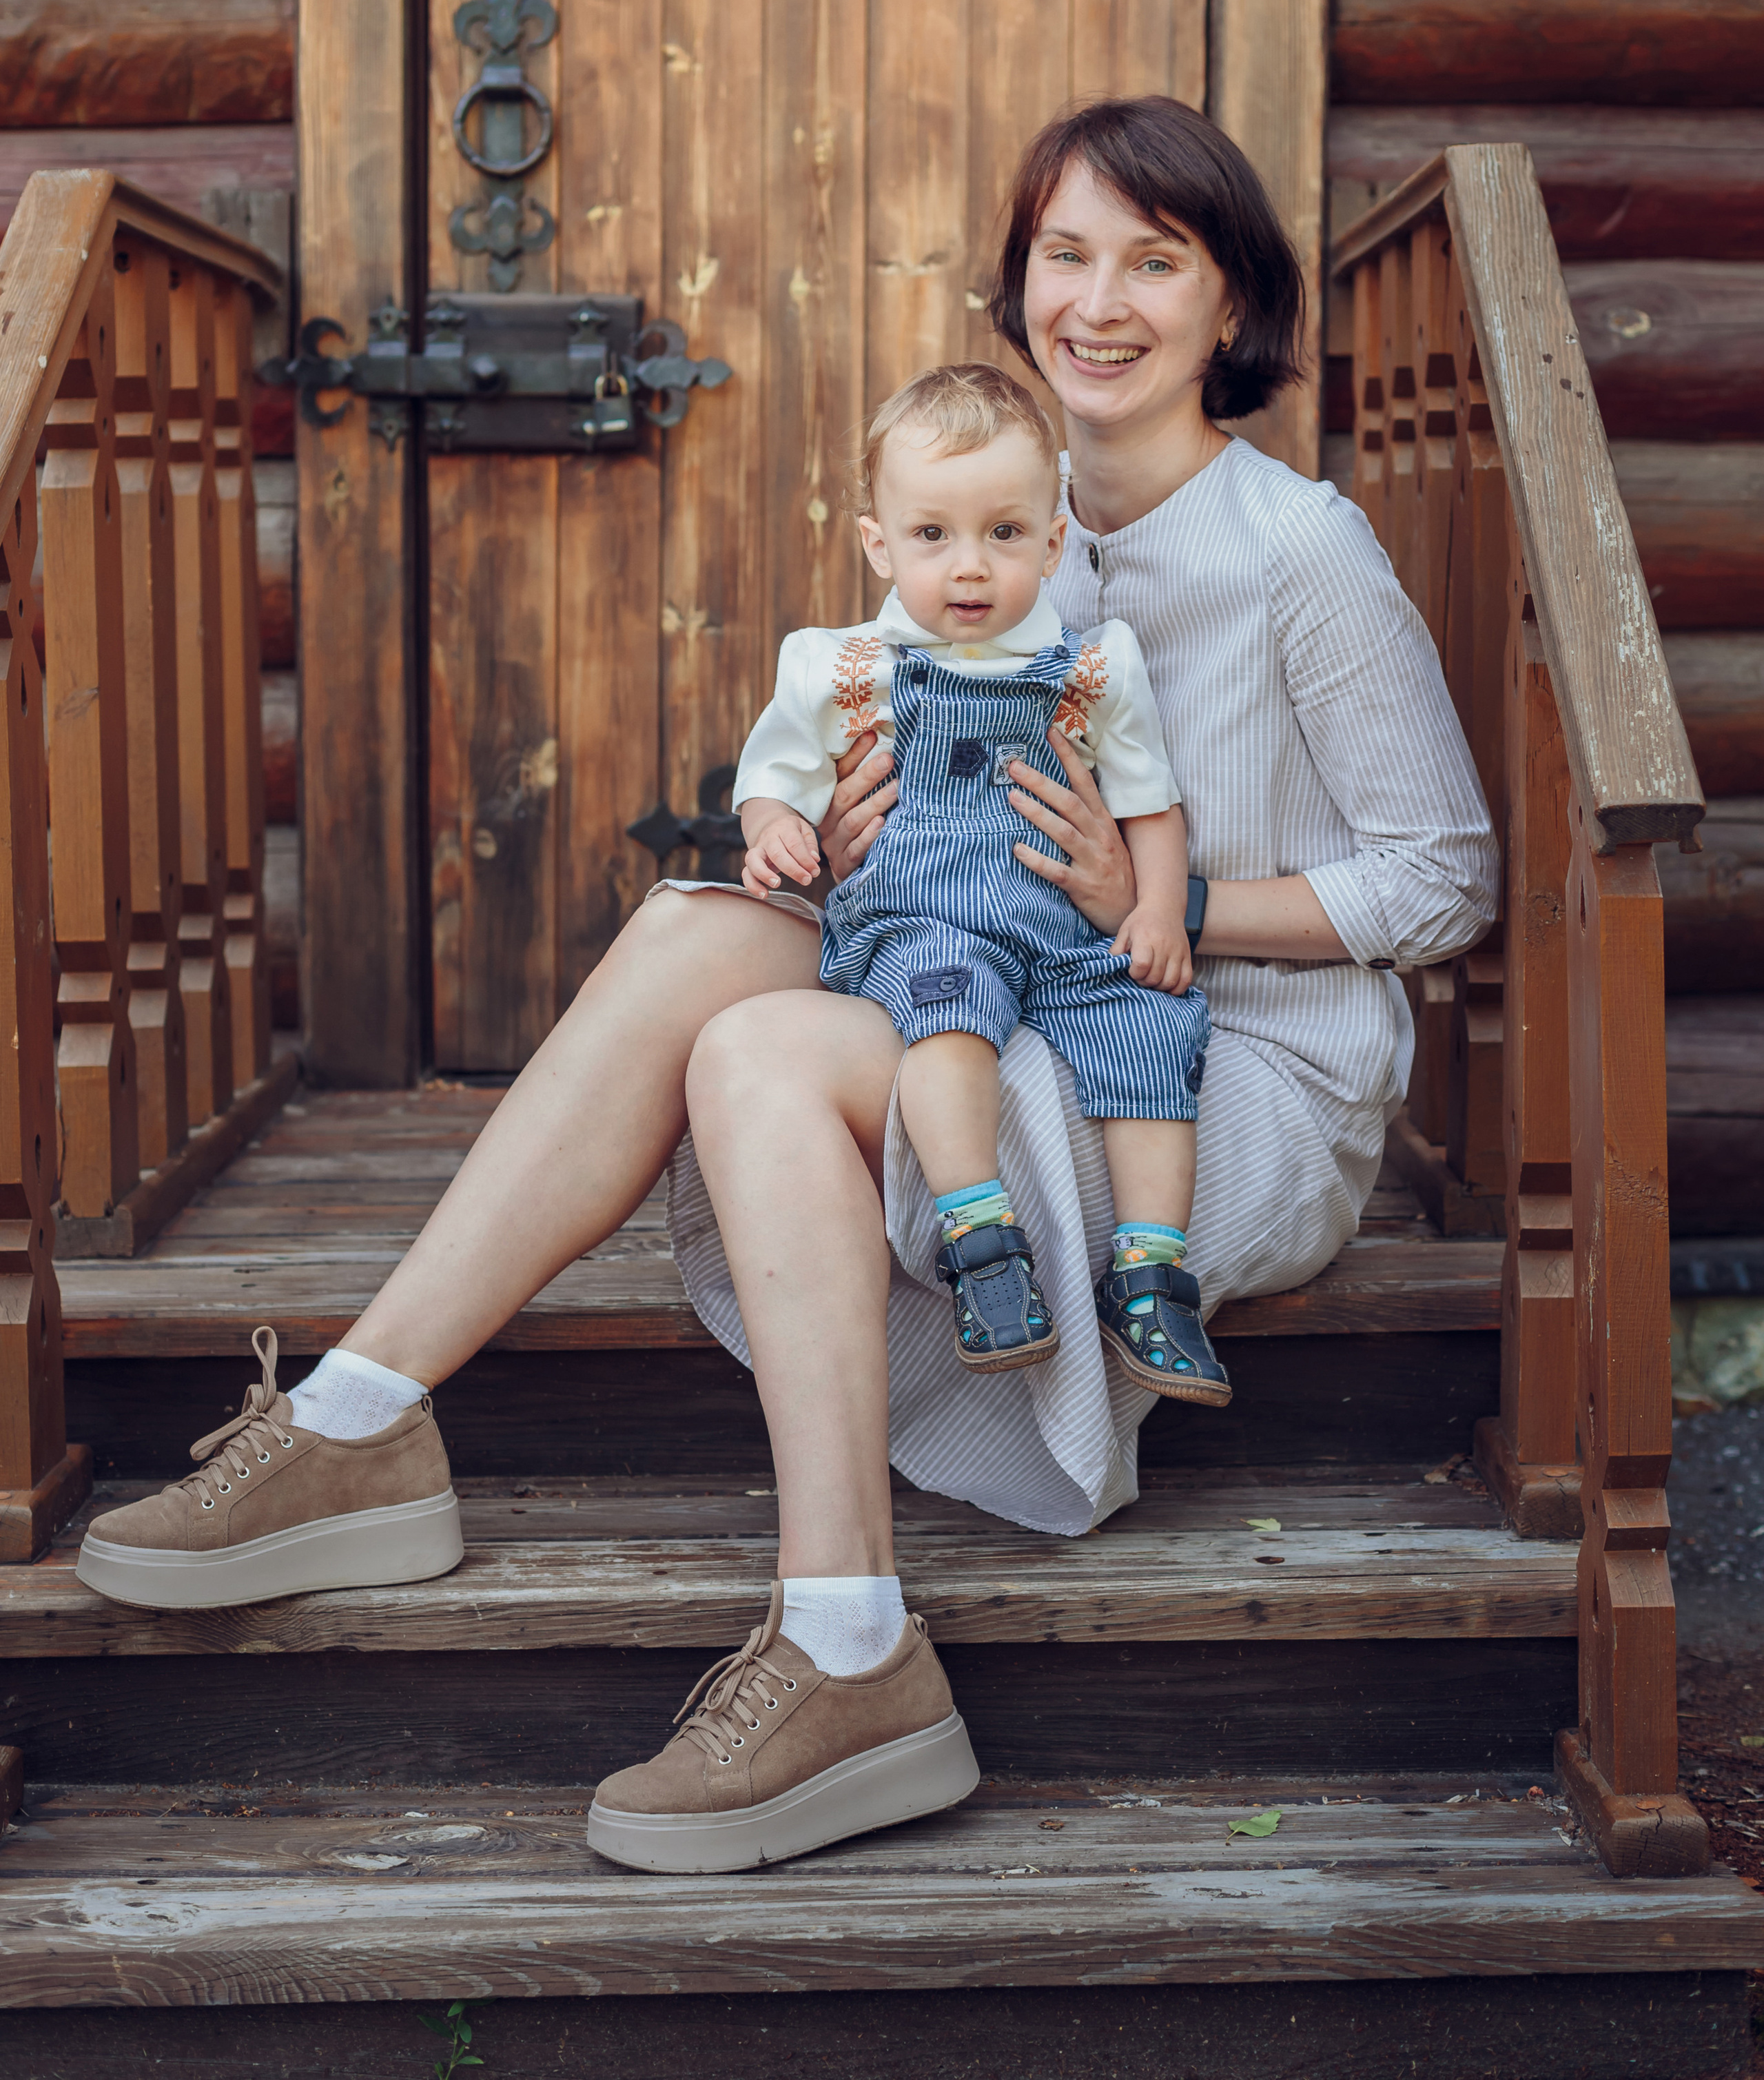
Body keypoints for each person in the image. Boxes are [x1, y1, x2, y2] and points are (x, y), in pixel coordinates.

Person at [74, 95, 1499, 1879]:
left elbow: (1443, 880)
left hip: (1219, 1073)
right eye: (1067, 253)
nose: (1102, 300)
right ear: (1017, 280)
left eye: (1158, 260)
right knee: (698, 937)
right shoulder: (976, 524)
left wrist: (1169, 896)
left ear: (1236, 307)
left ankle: (844, 1645)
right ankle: (362, 1420)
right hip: (1004, 998)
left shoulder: (1301, 551)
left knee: (757, 1058)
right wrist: (838, 833)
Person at [737, 360, 1221, 1399]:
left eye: (1004, 533)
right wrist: (778, 827)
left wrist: (1157, 911)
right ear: (879, 542)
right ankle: (982, 1240)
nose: (970, 567)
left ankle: (1151, 1273)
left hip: (1064, 929)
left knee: (1154, 1023)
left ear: (1053, 542)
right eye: (932, 536)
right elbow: (772, 775)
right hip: (926, 922)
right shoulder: (845, 666)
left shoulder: (1096, 668)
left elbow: (1150, 804)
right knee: (948, 1021)